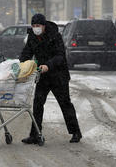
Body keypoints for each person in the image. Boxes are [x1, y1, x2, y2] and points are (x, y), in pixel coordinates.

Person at [19, 13, 82, 144]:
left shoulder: (54, 36)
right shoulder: (32, 37)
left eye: (38, 26)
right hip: (43, 75)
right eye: (34, 26)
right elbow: (26, 53)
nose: (36, 28)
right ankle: (35, 134)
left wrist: (48, 65)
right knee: (37, 103)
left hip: (59, 75)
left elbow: (60, 56)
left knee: (65, 104)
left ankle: (76, 132)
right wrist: (18, 65)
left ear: (44, 26)